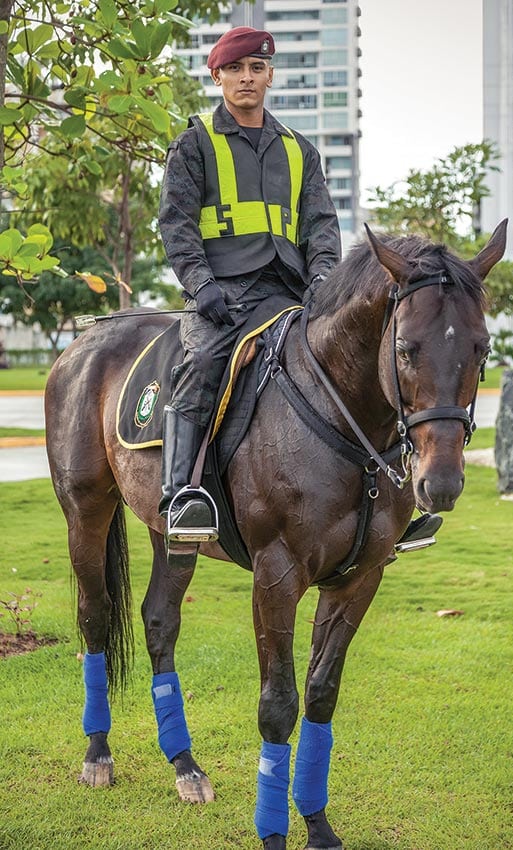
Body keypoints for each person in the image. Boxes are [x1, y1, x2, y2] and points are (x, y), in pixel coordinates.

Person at [158, 26, 342, 563]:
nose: (246, 78)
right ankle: (179, 497)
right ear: (217, 77)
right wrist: (201, 285)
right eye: (235, 69)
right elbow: (176, 224)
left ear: (270, 76)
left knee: (353, 358)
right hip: (220, 297)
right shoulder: (195, 143)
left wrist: (323, 280)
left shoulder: (300, 151)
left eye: (256, 69)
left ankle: (389, 497)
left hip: (289, 294)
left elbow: (321, 227)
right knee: (202, 363)